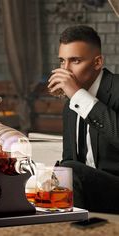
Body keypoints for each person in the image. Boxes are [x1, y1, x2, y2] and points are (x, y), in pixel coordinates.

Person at [48, 25, 119, 214]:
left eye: (75, 61)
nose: (66, 70)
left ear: (97, 62)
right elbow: (70, 160)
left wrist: (78, 95)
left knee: (69, 170)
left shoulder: (117, 88)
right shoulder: (71, 105)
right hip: (92, 192)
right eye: (62, 61)